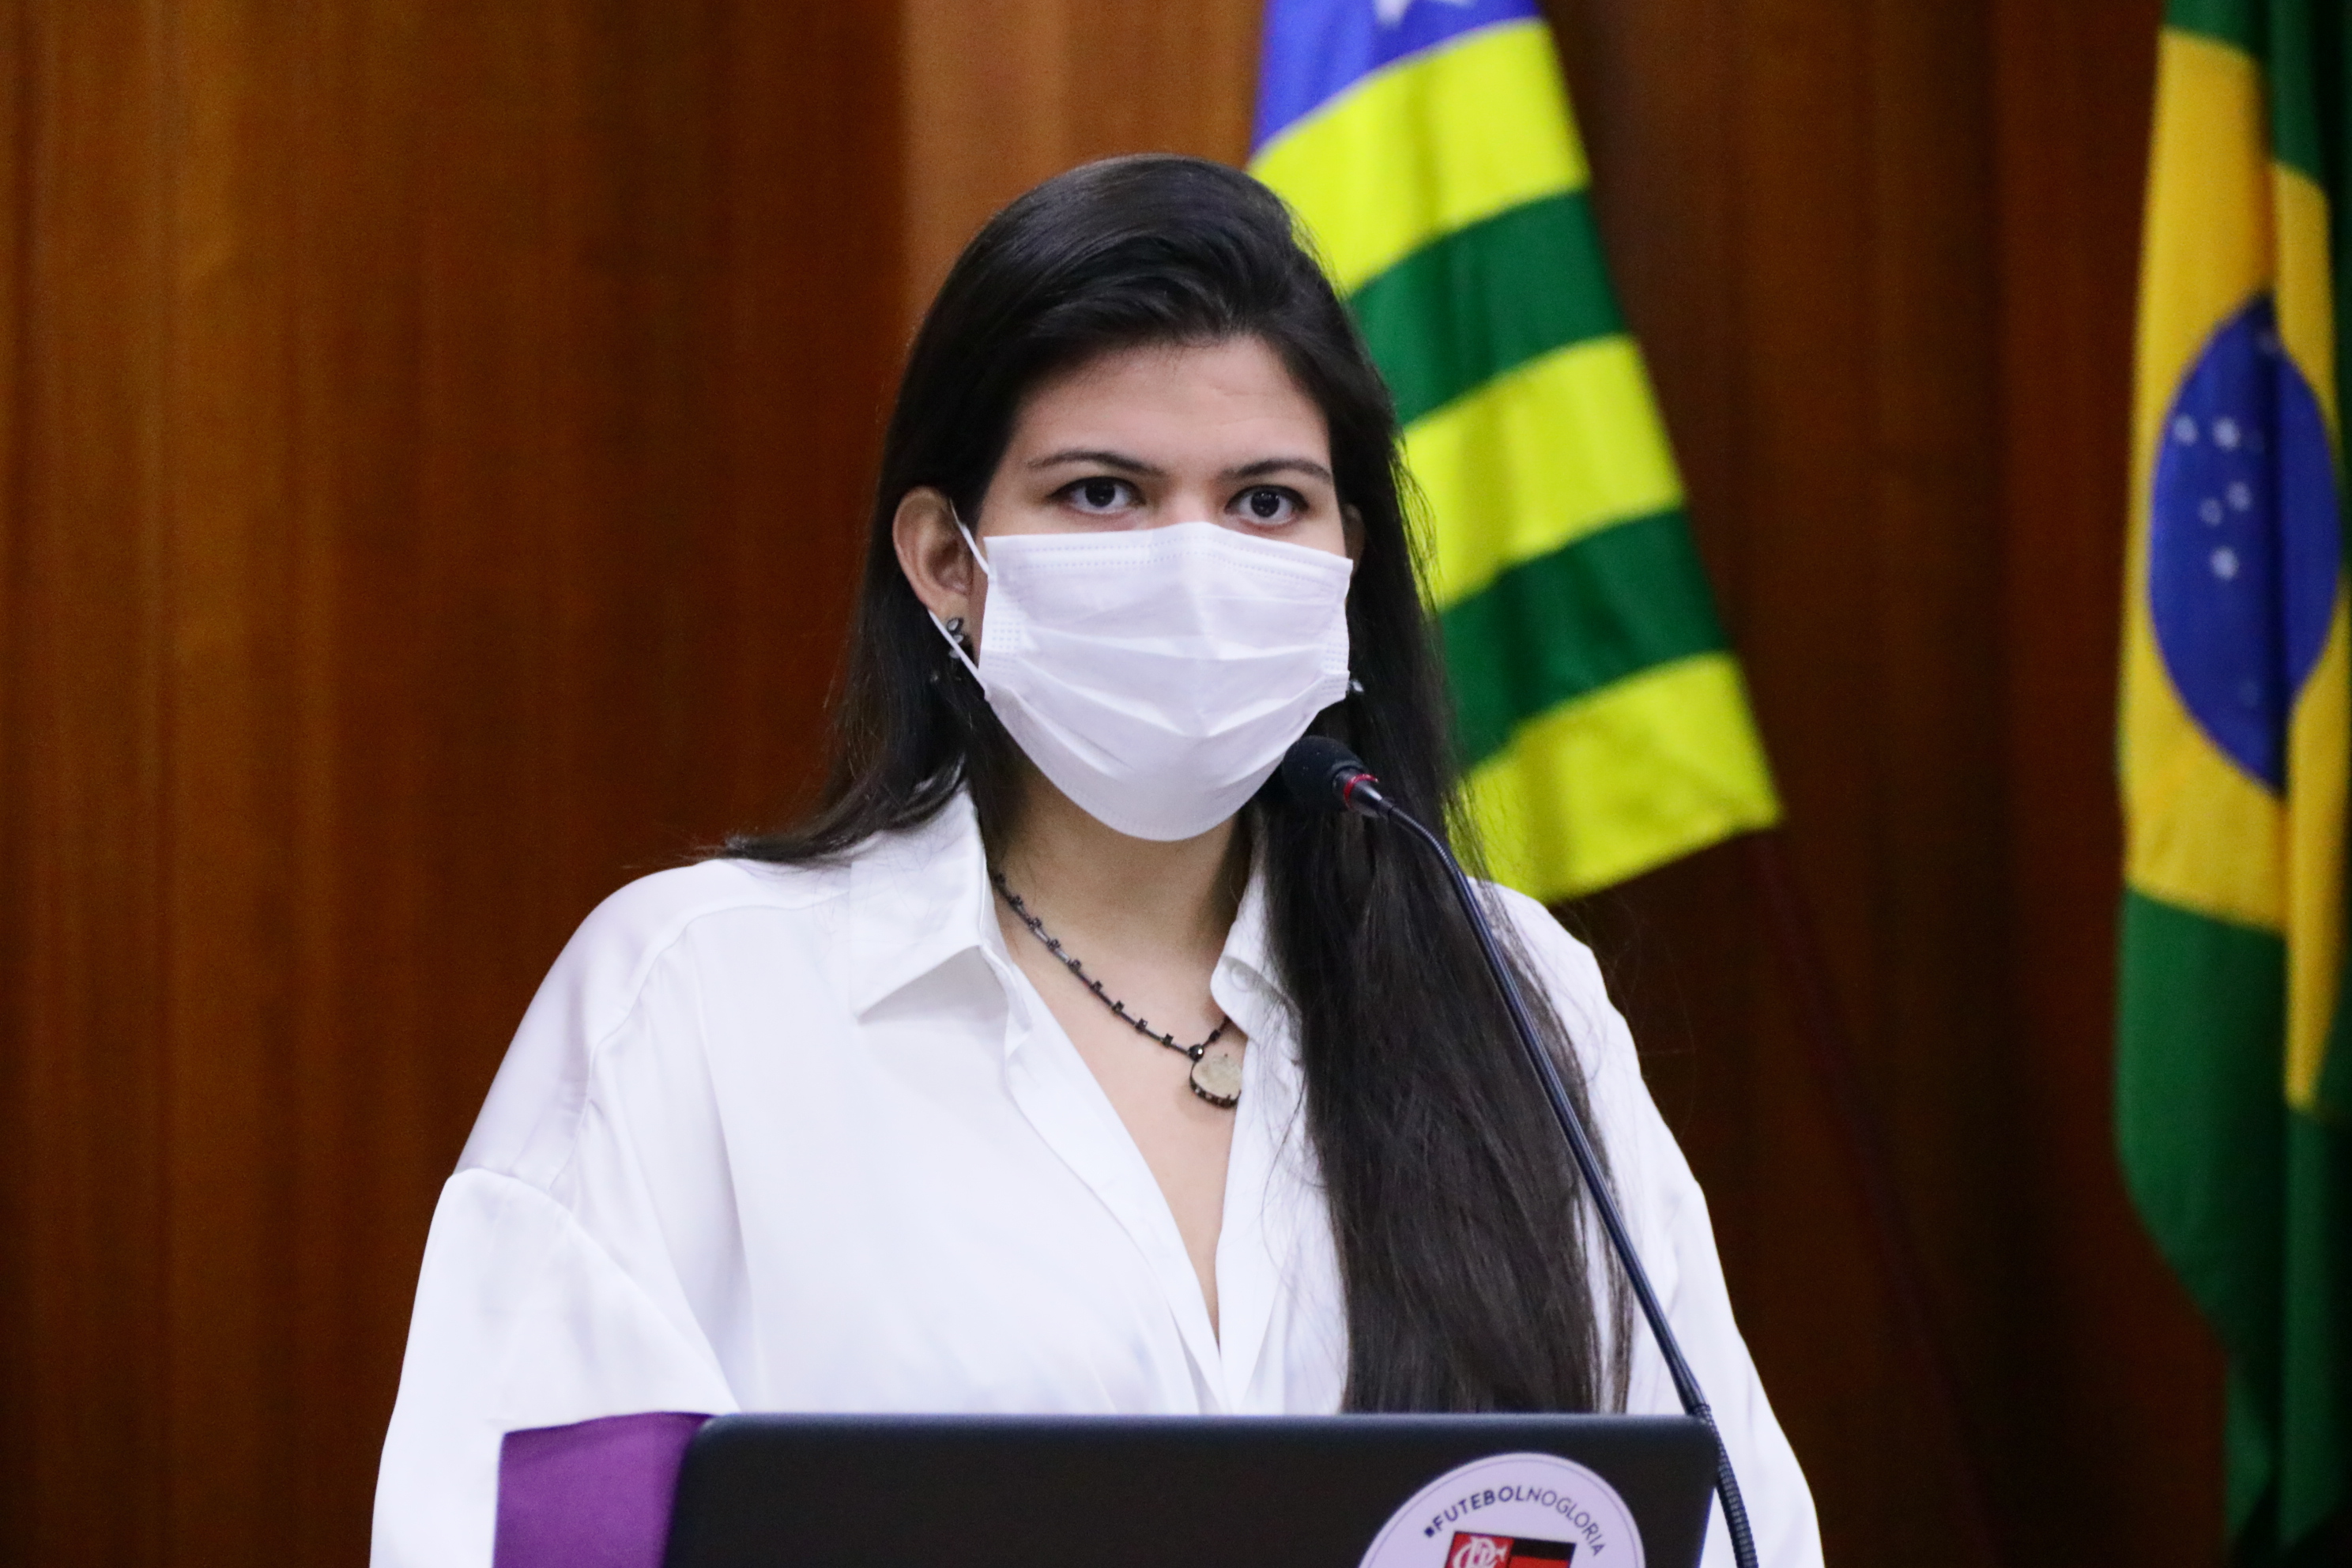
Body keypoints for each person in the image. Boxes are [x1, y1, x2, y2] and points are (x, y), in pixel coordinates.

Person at [372, 153, 1822, 1568]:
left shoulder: (1510, 989)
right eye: (1104, 493)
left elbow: (1733, 1525)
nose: (1196, 563)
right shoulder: (696, 996)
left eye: (1266, 501)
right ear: (948, 561)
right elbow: (514, 1532)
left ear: (1347, 563)